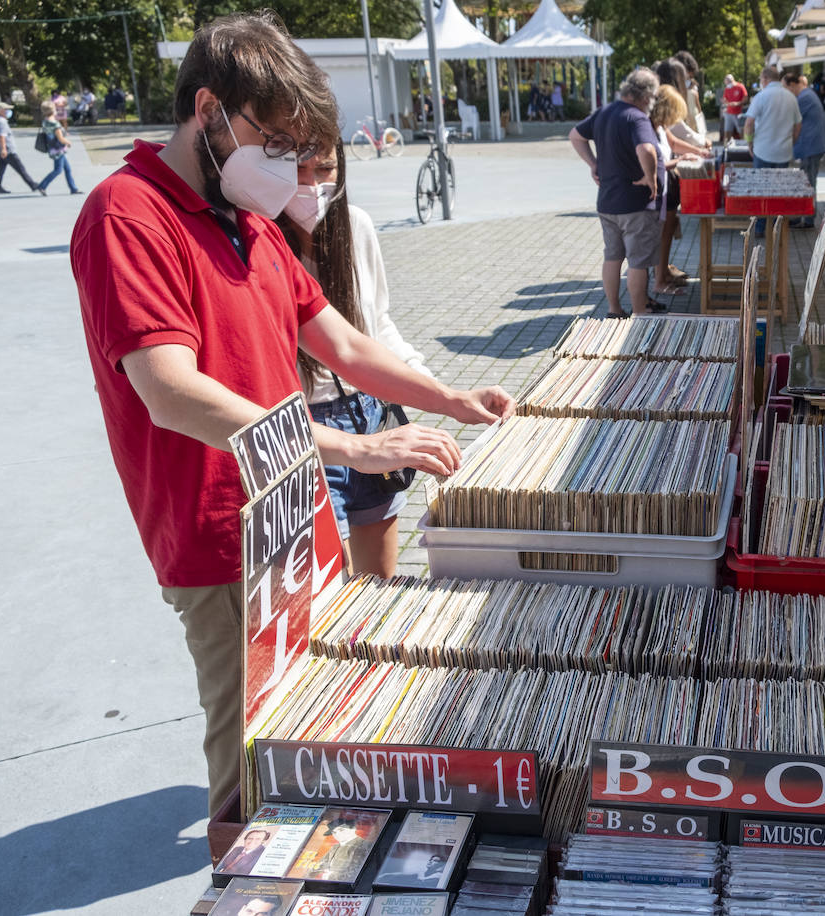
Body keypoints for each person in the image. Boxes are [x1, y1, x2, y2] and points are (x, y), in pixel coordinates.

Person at [71, 11, 514, 818]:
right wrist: (356, 446)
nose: (286, 165)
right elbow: (169, 391)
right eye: (273, 141)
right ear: (208, 109)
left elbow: (341, 342)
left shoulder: (250, 221)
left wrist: (449, 397)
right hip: (222, 536)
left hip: (298, 516)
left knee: (313, 728)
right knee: (251, 758)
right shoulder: (126, 213)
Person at [277, 142, 449, 577]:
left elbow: (376, 325)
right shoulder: (261, 241)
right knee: (327, 593)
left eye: (325, 168)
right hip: (307, 428)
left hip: (370, 412)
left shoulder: (356, 225)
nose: (312, 184)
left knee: (379, 586)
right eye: (298, 170)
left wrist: (435, 391)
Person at [569, 67, 664, 317]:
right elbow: (646, 149)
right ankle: (640, 311)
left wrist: (593, 164)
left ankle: (614, 309)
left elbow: (575, 135)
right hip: (635, 204)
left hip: (608, 201)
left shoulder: (604, 112)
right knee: (638, 261)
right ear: (646, 95)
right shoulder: (637, 117)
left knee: (612, 257)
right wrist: (651, 179)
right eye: (653, 98)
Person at [649, 83, 700, 295]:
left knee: (667, 232)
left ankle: (663, 274)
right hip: (659, 186)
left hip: (668, 184)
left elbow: (674, 143)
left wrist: (698, 151)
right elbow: (656, 163)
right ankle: (659, 280)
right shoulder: (648, 127)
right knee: (661, 235)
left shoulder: (661, 126)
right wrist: (680, 160)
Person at [745, 65, 802, 235]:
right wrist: (792, 142)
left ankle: (760, 227)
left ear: (765, 79)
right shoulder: (791, 97)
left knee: (761, 191)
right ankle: (777, 228)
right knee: (778, 191)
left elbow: (749, 123)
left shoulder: (761, 96)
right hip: (783, 152)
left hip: (762, 150)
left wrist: (749, 143)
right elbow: (798, 125)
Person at [788, 73, 825, 228]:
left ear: (793, 85)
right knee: (806, 181)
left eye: (786, 88)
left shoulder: (804, 98)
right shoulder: (807, 95)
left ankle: (808, 218)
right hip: (812, 146)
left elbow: (791, 119)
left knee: (808, 182)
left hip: (811, 146)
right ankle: (803, 215)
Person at [0, 101, 42, 194]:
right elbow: (1, 136)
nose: (8, 111)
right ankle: (33, 185)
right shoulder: (1, 122)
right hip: (7, 150)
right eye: (6, 109)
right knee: (20, 168)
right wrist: (3, 149)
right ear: (0, 110)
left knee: (0, 169)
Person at [37, 102, 83, 196]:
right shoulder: (55, 124)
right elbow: (61, 139)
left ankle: (73, 188)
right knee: (58, 170)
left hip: (52, 148)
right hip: (59, 150)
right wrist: (68, 142)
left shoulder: (45, 122)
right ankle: (42, 186)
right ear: (52, 110)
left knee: (67, 169)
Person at [306, 817, 372, 878]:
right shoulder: (335, 847)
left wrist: (329, 877)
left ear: (353, 829)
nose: (337, 834)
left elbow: (354, 872)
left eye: (341, 830)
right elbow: (321, 863)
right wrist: (308, 875)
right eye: (334, 832)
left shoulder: (364, 845)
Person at [721, 73, 747, 140]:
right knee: (727, 131)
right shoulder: (727, 88)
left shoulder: (740, 86)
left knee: (741, 131)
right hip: (729, 112)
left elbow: (745, 98)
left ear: (732, 80)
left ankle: (743, 143)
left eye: (728, 83)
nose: (727, 85)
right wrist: (725, 101)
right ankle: (726, 144)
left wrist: (738, 103)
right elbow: (725, 98)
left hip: (738, 113)